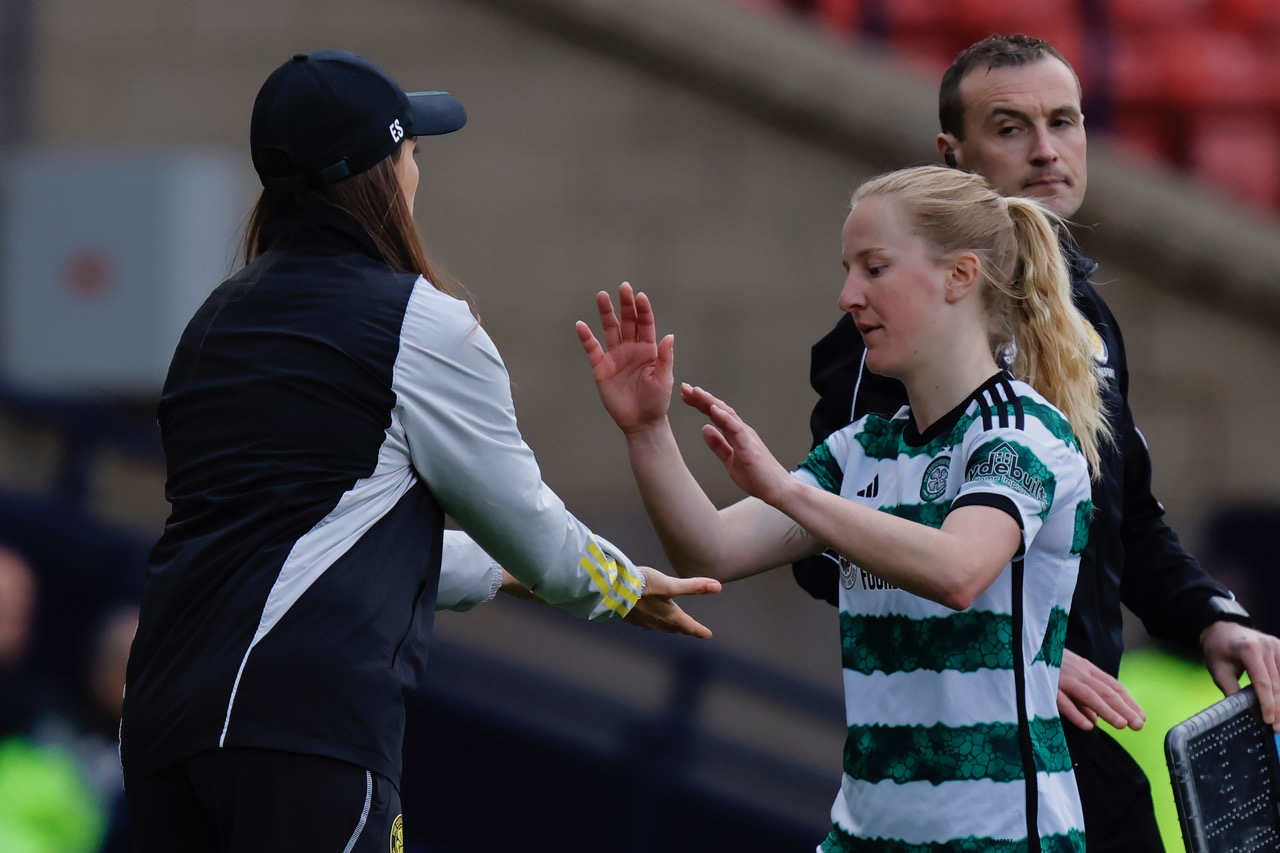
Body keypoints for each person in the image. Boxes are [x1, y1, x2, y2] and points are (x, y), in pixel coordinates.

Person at [119, 49, 719, 853]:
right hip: (305, 733)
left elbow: (323, 534)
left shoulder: (212, 322)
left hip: (162, 730)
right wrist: (619, 585)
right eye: (412, 151)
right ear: (382, 174)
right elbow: (536, 533)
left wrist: (505, 573)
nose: (417, 171)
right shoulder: (422, 324)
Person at [792, 33, 1280, 851]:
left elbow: (1129, 514)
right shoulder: (887, 339)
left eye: (1065, 121)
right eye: (1012, 127)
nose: (1047, 150)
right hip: (975, 760)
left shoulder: (1084, 316)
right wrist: (1019, 657)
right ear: (953, 154)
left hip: (1083, 744)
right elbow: (822, 545)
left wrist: (1210, 615)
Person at [580, 165, 1105, 852]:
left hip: (1000, 837)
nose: (848, 295)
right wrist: (647, 430)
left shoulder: (1020, 432)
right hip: (864, 833)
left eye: (874, 268)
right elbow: (710, 550)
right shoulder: (862, 447)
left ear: (960, 276)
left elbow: (959, 570)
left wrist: (788, 490)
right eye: (848, 269)